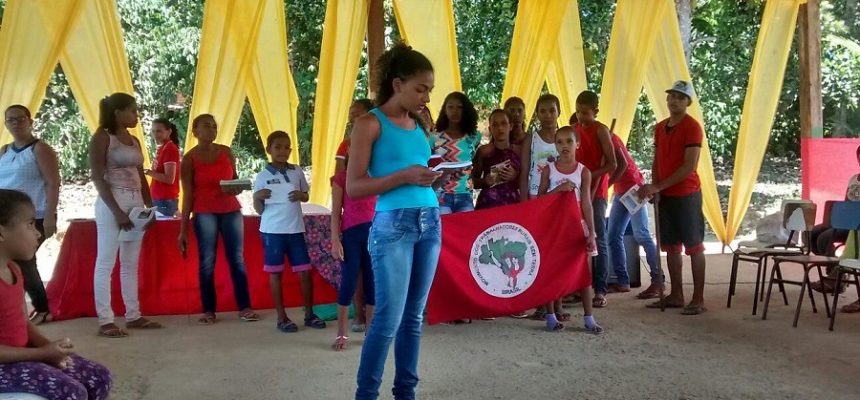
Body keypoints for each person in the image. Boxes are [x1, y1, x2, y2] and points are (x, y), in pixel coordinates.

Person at [347, 43, 444, 400]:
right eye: (421, 89)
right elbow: (355, 186)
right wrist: (405, 176)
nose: (426, 98)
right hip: (393, 226)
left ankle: (406, 393)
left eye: (429, 90)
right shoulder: (369, 123)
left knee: (413, 318)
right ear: (397, 84)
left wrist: (434, 179)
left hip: (430, 221)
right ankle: (366, 394)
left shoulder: (419, 125)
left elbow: (416, 174)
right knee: (388, 318)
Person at [0, 189, 112, 400]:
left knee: (99, 377)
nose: (37, 233)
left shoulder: (14, 270)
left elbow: (22, 322)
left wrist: (49, 347)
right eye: (30, 224)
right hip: (4, 366)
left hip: (23, 357)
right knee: (71, 392)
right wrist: (41, 354)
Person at [89, 93, 161, 337]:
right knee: (106, 262)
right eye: (132, 110)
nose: (136, 115)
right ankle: (105, 320)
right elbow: (97, 176)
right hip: (113, 201)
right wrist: (117, 211)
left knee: (130, 263)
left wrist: (149, 208)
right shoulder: (102, 137)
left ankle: (133, 315)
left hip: (135, 201)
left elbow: (141, 175)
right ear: (117, 112)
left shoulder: (134, 140)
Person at [178, 114, 259, 325]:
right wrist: (183, 228)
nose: (212, 129)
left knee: (237, 259)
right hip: (204, 211)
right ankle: (208, 310)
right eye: (207, 126)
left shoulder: (226, 152)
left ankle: (245, 307)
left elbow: (234, 179)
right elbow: (187, 195)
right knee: (207, 261)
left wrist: (237, 186)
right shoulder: (189, 159)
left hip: (231, 209)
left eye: (214, 126)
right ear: (195, 131)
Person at [639, 80, 707, 315]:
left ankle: (698, 298)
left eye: (680, 97)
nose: (674, 101)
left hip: (687, 193)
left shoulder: (692, 127)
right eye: (672, 96)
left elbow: (689, 166)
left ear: (688, 102)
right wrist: (655, 187)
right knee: (671, 246)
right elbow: (657, 160)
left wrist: (658, 185)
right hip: (666, 193)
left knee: (694, 246)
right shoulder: (660, 127)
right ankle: (676, 294)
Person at [252, 131, 326, 333]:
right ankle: (281, 317)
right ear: (269, 149)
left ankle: (309, 314)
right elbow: (259, 210)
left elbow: (305, 196)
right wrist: (257, 197)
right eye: (278, 147)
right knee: (275, 273)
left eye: (286, 147)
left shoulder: (296, 171)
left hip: (295, 229)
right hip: (272, 231)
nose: (282, 151)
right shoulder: (263, 176)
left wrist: (301, 195)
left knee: (305, 271)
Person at [537, 127, 603, 334]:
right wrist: (558, 190)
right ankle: (550, 316)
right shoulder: (549, 170)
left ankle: (589, 318)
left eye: (569, 141)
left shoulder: (583, 172)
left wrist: (591, 232)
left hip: (576, 225)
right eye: (560, 142)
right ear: (555, 145)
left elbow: (587, 204)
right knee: (551, 271)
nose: (564, 146)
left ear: (577, 144)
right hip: (554, 227)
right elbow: (539, 200)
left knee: (584, 272)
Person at [0, 105, 60, 324]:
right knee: (12, 261)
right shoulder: (4, 151)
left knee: (24, 260)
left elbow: (52, 182)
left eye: (20, 119)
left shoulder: (40, 148)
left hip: (34, 215)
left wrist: (50, 215)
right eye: (11, 120)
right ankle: (21, 308)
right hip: (6, 215)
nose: (16, 123)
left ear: (30, 121)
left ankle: (42, 308)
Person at [605, 129, 663, 299]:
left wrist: (605, 185)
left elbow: (622, 165)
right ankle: (623, 281)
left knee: (641, 234)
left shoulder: (608, 137)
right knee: (613, 236)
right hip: (620, 192)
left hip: (633, 188)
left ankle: (658, 281)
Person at [518, 94, 561, 320]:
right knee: (538, 250)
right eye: (542, 111)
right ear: (536, 114)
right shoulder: (531, 139)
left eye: (551, 110)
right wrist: (524, 202)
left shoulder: (565, 138)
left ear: (559, 112)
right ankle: (541, 303)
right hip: (536, 199)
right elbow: (525, 171)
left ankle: (557, 304)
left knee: (556, 252)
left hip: (559, 201)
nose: (547, 115)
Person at [330, 141, 377, 350]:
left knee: (372, 283)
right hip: (351, 236)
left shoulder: (377, 176)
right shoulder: (341, 178)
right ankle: (341, 333)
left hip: (374, 235)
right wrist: (335, 240)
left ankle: (370, 331)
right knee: (348, 282)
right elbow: (335, 212)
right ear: (349, 151)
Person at [573, 91, 617, 309]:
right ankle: (579, 286)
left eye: (585, 113)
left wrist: (591, 175)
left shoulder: (601, 130)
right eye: (578, 112)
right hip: (577, 192)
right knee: (578, 239)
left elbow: (613, 164)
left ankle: (600, 289)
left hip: (597, 193)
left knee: (597, 238)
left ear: (595, 111)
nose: (581, 117)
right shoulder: (574, 130)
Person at [809, 144, 860, 312]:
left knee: (828, 237)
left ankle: (838, 276)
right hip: (850, 221)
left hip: (856, 224)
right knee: (815, 233)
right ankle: (837, 273)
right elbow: (846, 202)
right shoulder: (854, 179)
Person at [431, 91, 481, 214]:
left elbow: (475, 164)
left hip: (466, 195)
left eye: (459, 107)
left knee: (466, 226)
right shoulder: (433, 137)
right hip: (441, 194)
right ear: (445, 110)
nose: (455, 111)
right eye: (450, 107)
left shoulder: (474, 137)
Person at [472, 109, 521, 209]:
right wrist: (485, 181)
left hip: (512, 205)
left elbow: (528, 183)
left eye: (503, 123)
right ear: (490, 129)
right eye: (495, 125)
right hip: (487, 204)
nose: (500, 128)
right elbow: (472, 182)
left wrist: (514, 177)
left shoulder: (519, 151)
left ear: (511, 126)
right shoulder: (483, 151)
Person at [144, 118, 181, 216]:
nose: (155, 134)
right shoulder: (163, 148)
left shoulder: (170, 149)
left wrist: (148, 172)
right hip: (159, 198)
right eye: (153, 131)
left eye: (159, 131)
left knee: (163, 225)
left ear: (169, 132)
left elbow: (169, 178)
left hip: (164, 200)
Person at [335, 99, 376, 174]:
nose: (353, 119)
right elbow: (339, 177)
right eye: (350, 116)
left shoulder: (383, 143)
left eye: (357, 115)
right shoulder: (346, 145)